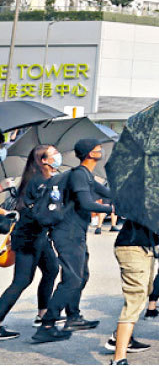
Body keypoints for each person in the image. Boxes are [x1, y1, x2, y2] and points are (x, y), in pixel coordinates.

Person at [34, 138, 113, 343]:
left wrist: (129, 197)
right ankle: (47, 325)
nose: (101, 151)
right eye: (98, 149)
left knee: (81, 275)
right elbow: (86, 203)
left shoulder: (86, 175)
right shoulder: (79, 175)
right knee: (72, 279)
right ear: (90, 153)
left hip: (76, 233)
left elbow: (108, 193)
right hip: (67, 233)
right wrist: (111, 208)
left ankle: (73, 317)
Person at [0, 146, 61, 340]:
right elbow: (41, 212)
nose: (57, 156)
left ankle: (43, 314)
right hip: (29, 237)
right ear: (43, 160)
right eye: (54, 154)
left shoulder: (43, 180)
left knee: (51, 269)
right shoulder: (38, 182)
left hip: (38, 236)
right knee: (22, 280)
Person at [108, 219, 158, 365]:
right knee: (134, 301)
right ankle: (119, 359)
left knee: (146, 292)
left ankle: (121, 337)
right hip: (133, 248)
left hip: (145, 248)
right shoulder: (141, 205)